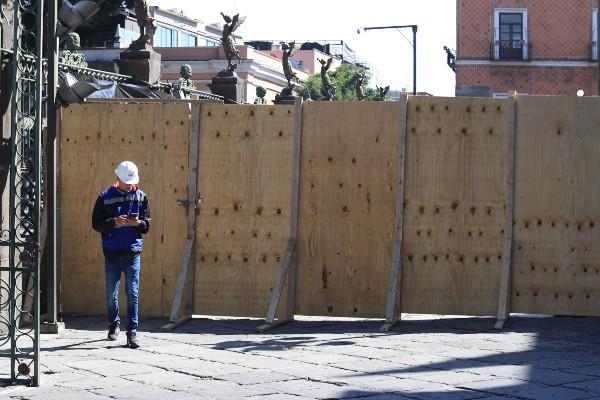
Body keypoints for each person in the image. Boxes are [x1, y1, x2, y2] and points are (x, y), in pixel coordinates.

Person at [92, 161, 151, 349]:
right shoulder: (104, 197)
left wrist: (138, 223)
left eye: (131, 182)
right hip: (112, 252)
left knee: (132, 293)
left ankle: (132, 333)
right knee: (111, 294)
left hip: (133, 252)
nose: (129, 185)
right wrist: (114, 222)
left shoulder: (142, 197)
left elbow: (147, 226)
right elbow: (96, 224)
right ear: (117, 178)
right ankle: (113, 324)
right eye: (126, 182)